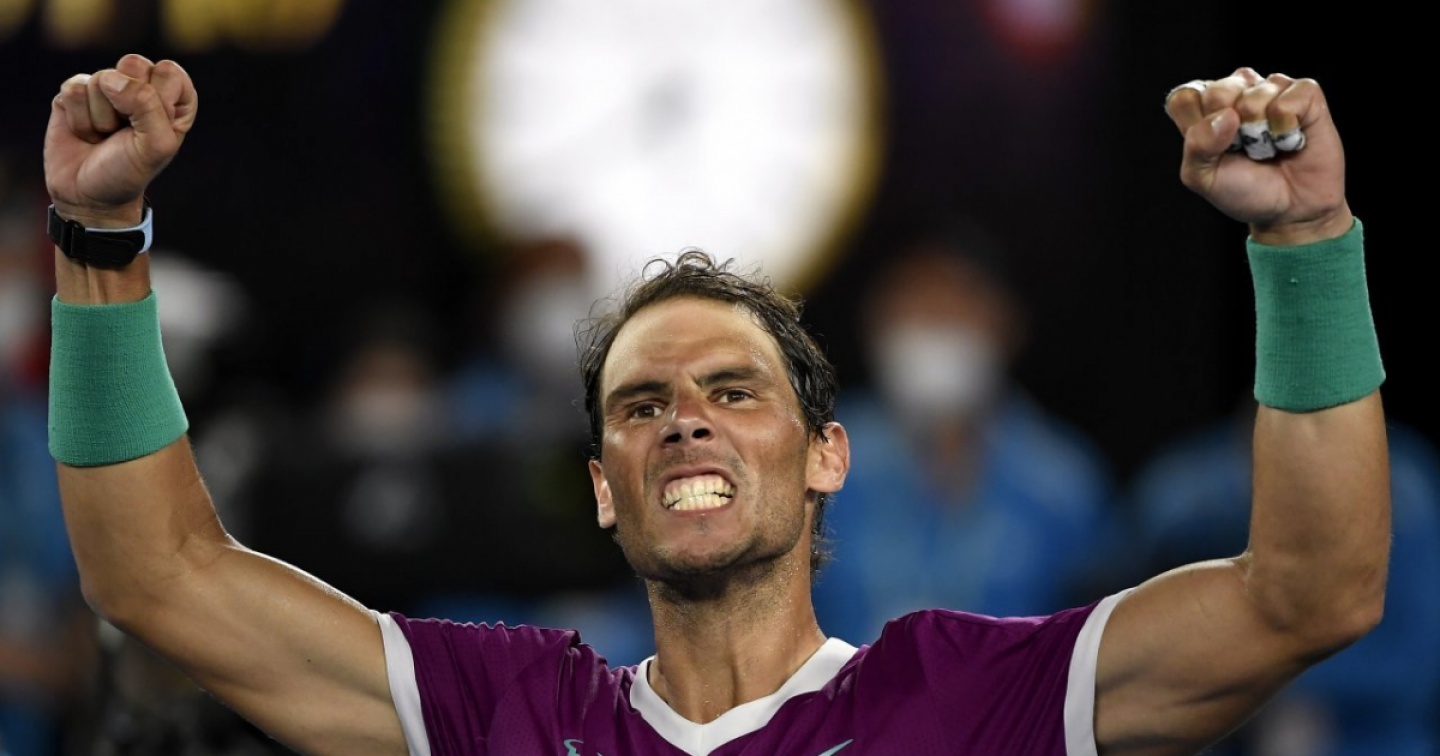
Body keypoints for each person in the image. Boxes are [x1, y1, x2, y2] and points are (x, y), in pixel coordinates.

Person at [43, 54, 1389, 755]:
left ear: (827, 456)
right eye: (640, 405)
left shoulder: (973, 700)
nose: (683, 418)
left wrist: (1306, 242)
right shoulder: (502, 711)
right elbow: (157, 577)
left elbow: (1311, 596)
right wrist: (100, 238)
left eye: (733, 390)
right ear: (600, 487)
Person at [814, 218, 1123, 641]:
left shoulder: (1063, 483)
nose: (934, 322)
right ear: (873, 319)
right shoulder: (816, 460)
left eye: (957, 304)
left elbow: (1098, 640)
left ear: (1008, 324)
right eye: (916, 302)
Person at [1128, 401, 1440, 755]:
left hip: (1370, 735)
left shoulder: (1405, 495)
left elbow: (1417, 663)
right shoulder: (1185, 500)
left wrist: (1301, 690)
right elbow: (1136, 644)